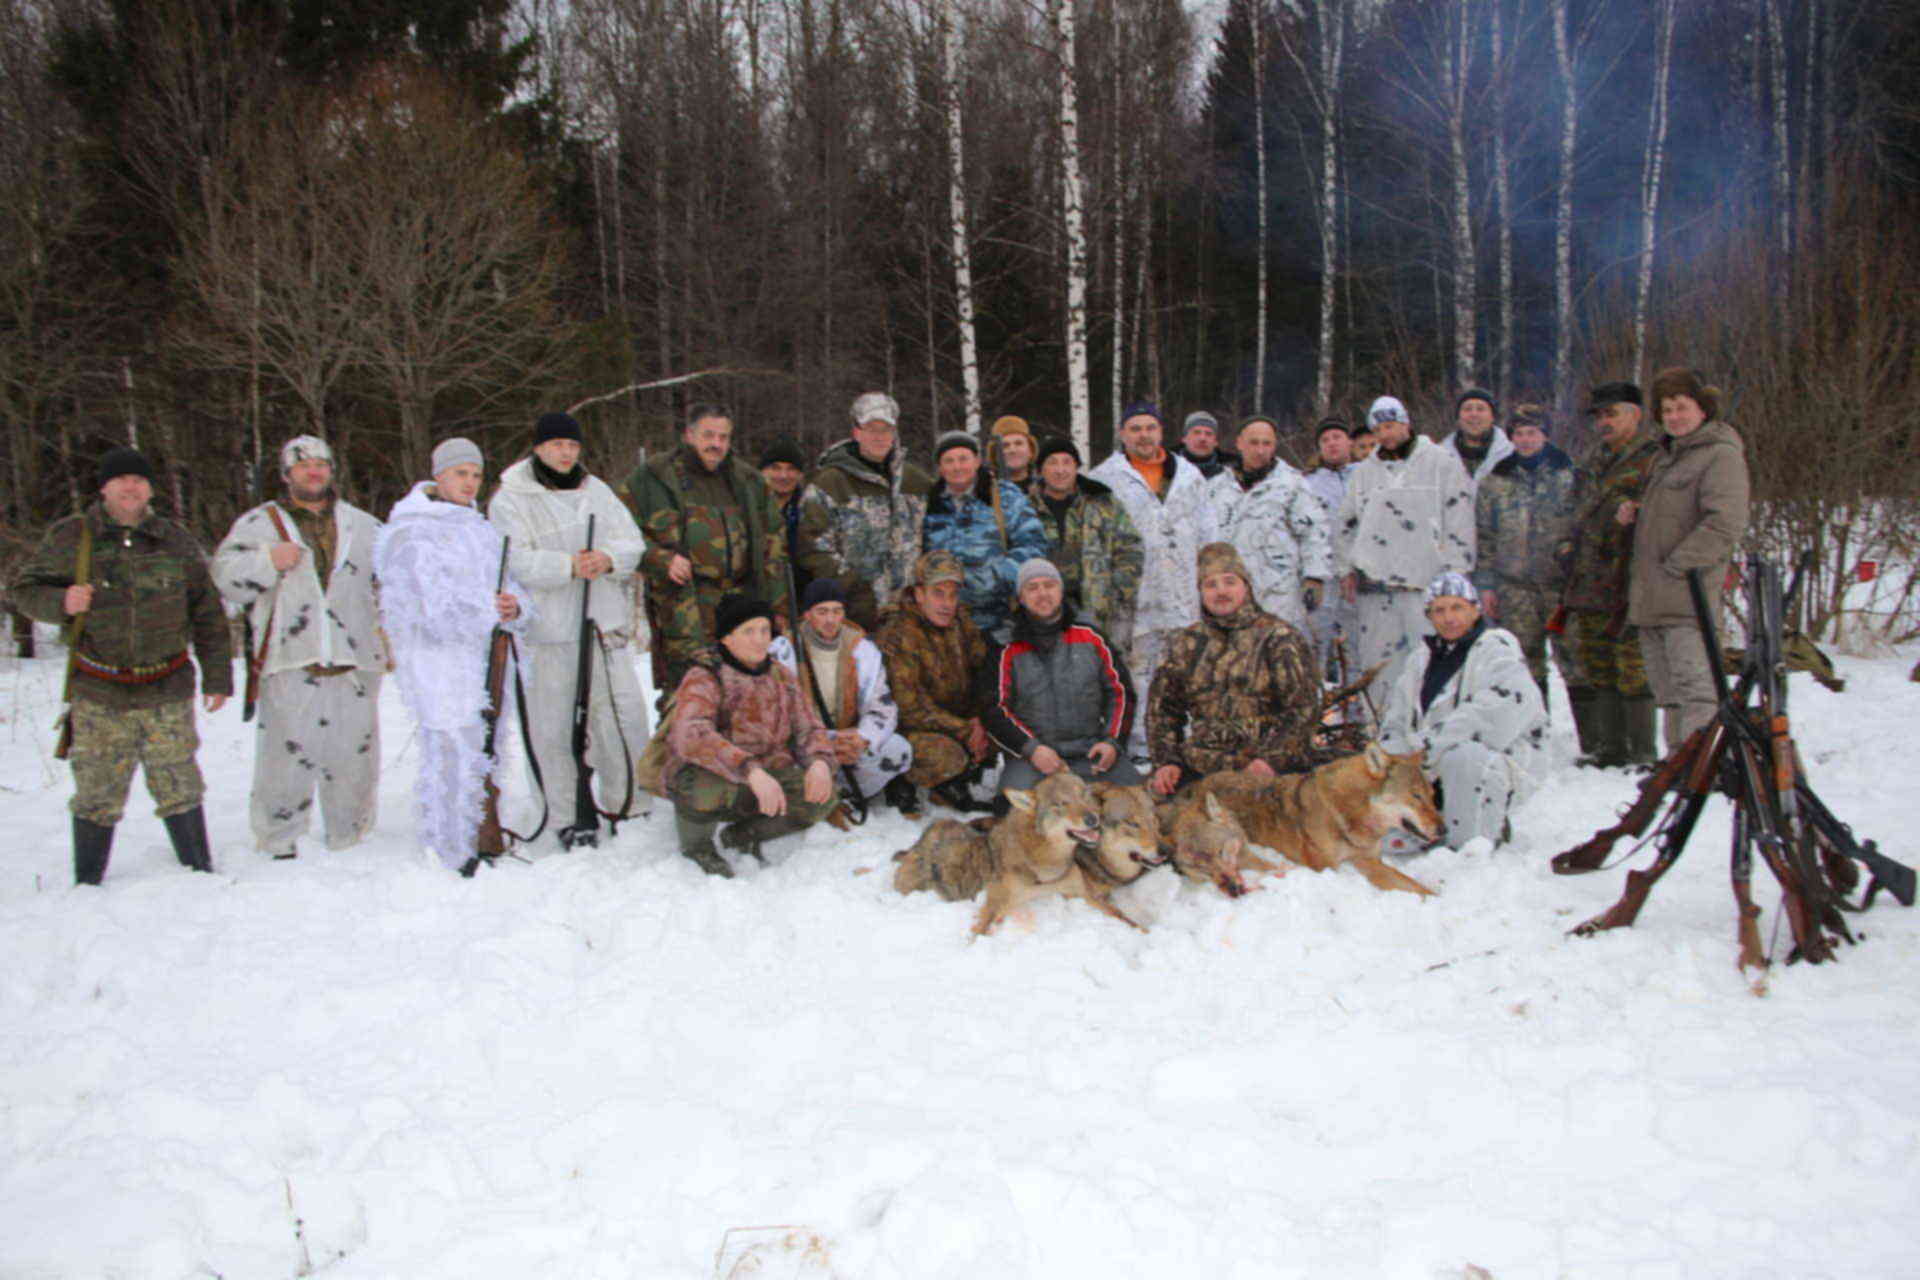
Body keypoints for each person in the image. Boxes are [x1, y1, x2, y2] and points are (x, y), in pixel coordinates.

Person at [12, 447, 231, 884]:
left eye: (139, 480)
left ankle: (199, 876)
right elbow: (23, 589)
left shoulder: (175, 540)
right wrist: (61, 602)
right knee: (96, 789)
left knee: (179, 783)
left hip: (166, 686)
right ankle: (88, 885)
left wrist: (218, 676)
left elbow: (206, 611)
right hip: (99, 690)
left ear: (150, 489)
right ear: (104, 488)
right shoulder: (73, 536)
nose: (130, 487)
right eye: (121, 480)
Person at [213, 435, 385, 860]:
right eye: (303, 465)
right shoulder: (259, 524)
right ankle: (278, 839)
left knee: (354, 756)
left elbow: (397, 580)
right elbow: (224, 577)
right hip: (291, 658)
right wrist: (267, 560)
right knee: (285, 756)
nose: (314, 471)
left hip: (353, 659)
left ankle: (350, 835)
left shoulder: (363, 525)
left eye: (321, 464)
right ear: (287, 474)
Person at [490, 412, 652, 848]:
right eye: (557, 444)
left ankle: (630, 805)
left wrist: (607, 559)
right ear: (539, 447)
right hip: (550, 632)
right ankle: (565, 813)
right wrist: (567, 566)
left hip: (602, 625)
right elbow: (514, 559)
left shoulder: (596, 491)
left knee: (621, 716)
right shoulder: (512, 498)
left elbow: (632, 542)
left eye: (572, 445)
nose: (565, 453)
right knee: (555, 727)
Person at [374, 438, 529, 877]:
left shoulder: (479, 528)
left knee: (484, 753)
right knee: (450, 754)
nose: (470, 483)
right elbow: (426, 610)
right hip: (438, 665)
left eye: (477, 475)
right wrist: (487, 609)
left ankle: (480, 836)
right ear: (439, 475)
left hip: (482, 661)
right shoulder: (410, 532)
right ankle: (449, 849)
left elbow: (512, 584)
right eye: (461, 473)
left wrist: (514, 607)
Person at [664, 594, 837, 876]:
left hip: (767, 777)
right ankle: (697, 847)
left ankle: (743, 834)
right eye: (748, 631)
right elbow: (691, 734)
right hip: (722, 777)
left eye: (765, 630)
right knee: (701, 785)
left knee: (823, 795)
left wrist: (819, 761)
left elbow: (809, 726)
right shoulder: (706, 675)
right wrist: (749, 770)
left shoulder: (780, 675)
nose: (760, 639)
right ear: (727, 639)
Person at [1623, 367, 1751, 750]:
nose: (1674, 417)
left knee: (1696, 692)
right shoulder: (1669, 457)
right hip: (1653, 602)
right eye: (1666, 410)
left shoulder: (1719, 456)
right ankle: (1678, 769)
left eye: (1682, 407)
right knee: (1670, 696)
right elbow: (1674, 516)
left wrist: (1678, 567)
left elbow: (1725, 523)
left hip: (1687, 601)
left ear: (1703, 408)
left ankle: (1701, 770)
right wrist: (1638, 512)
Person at [625, 403, 789, 697]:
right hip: (685, 605)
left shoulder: (747, 481)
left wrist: (777, 606)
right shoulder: (654, 477)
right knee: (688, 690)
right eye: (708, 436)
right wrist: (659, 559)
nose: (716, 445)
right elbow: (620, 532)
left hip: (741, 604)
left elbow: (773, 542)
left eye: (724, 437)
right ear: (689, 435)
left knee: (743, 691)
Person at [1088, 400, 1219, 763]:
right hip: (1134, 601)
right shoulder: (1103, 479)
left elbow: (1210, 535)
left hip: (1182, 597)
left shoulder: (1190, 476)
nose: (1143, 435)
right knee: (1138, 676)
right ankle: (1141, 749)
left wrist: (1211, 584)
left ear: (1161, 432)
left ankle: (1185, 746)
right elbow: (1094, 545)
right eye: (1135, 429)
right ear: (1122, 434)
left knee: (1186, 672)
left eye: (1150, 428)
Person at [1378, 573, 1546, 848]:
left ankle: (1474, 842)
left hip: (1494, 761)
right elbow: (1397, 718)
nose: (1449, 618)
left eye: (1457, 607)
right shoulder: (1422, 658)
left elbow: (1492, 716)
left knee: (1464, 757)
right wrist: (1391, 759)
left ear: (1475, 608)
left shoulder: (1496, 648)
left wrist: (1425, 749)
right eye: (1439, 610)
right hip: (1428, 765)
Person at [1145, 542, 1322, 796]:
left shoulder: (1279, 638)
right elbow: (1163, 711)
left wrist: (1270, 760)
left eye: (1229, 582)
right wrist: (1167, 762)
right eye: (1210, 584)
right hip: (1202, 767)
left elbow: (1304, 709)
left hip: (1268, 770)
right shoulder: (1186, 642)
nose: (1221, 592)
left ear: (1246, 587)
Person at [1333, 395, 1475, 688]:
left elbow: (1459, 518)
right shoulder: (1365, 472)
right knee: (1378, 667)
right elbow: (1345, 524)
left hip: (1425, 586)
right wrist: (1345, 568)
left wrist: (1456, 573)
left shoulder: (1440, 462)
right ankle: (1380, 729)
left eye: (1391, 426)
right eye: (1379, 429)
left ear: (1405, 423)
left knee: (1430, 663)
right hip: (1375, 587)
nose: (1386, 434)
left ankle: (1431, 729)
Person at [1559, 382, 1664, 766]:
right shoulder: (1592, 460)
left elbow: (1663, 515)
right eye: (1599, 415)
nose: (1604, 422)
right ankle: (1610, 748)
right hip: (1589, 580)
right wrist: (1565, 546)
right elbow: (1574, 511)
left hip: (1630, 579)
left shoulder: (1655, 459)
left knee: (1632, 666)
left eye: (1612, 413)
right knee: (1597, 664)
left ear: (1635, 414)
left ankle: (1642, 752)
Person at [980, 559, 1140, 801]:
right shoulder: (1004, 645)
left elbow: (1121, 692)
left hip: (1091, 753)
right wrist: (1032, 749)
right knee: (1012, 813)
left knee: (1138, 803)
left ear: (1061, 590)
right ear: (1020, 598)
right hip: (1036, 759)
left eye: (1049, 585)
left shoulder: (1090, 635)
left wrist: (1111, 742)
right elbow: (994, 707)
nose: (1042, 593)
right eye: (1032, 588)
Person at [769, 577, 913, 814]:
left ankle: (843, 794)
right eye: (822, 612)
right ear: (807, 614)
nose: (830, 620)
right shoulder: (782, 650)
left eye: (837, 611)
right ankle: (817, 798)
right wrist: (818, 743)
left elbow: (883, 707)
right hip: (803, 746)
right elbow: (774, 716)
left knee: (898, 750)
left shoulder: (862, 649)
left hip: (846, 741)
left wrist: (862, 738)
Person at [797, 391, 934, 630]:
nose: (879, 436)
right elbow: (813, 549)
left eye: (886, 429)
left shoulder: (918, 482)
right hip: (854, 617)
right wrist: (854, 589)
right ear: (856, 432)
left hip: (911, 616)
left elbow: (936, 537)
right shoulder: (829, 483)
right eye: (871, 428)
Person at [1471, 403, 1577, 705]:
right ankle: (1533, 732)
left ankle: (1591, 743)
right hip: (1514, 587)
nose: (1526, 440)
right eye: (1519, 433)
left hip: (1560, 587)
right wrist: (1487, 585)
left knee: (1574, 663)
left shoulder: (1568, 474)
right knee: (1523, 664)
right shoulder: (1496, 480)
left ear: (1545, 435)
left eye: (1533, 433)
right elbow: (1485, 536)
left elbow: (1580, 527)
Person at [874, 551, 995, 813]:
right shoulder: (899, 634)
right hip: (909, 729)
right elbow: (910, 709)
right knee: (948, 756)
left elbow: (981, 667)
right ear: (919, 594)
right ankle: (901, 779)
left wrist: (978, 719)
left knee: (1001, 730)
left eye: (953, 595)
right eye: (938, 593)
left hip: (953, 719)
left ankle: (956, 778)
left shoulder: (960, 621)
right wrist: (965, 730)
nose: (947, 603)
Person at [920, 429, 1049, 639]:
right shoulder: (929, 505)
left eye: (963, 459)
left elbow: (1034, 545)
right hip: (944, 628)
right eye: (949, 461)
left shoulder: (1004, 496)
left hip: (1000, 625)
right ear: (940, 468)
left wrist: (997, 577)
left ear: (977, 460)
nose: (957, 466)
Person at [1208, 414, 1332, 630]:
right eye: (1253, 443)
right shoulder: (1216, 487)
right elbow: (1203, 537)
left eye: (1267, 443)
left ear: (1275, 446)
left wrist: (1314, 576)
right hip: (1229, 592)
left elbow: (1314, 531)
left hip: (1277, 593)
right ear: (1239, 443)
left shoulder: (1292, 484)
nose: (1260, 450)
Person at [1026, 436, 1143, 646]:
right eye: (1052, 462)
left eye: (1066, 462)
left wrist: (1115, 591)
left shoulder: (1103, 503)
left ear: (1077, 467)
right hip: (1039, 613)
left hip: (1094, 611)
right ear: (1040, 470)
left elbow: (1131, 547)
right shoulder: (1025, 508)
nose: (1060, 470)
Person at [1301, 417, 1360, 678]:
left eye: (1337, 437)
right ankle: (1314, 707)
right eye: (1325, 440)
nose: (1332, 444)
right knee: (1315, 647)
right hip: (1323, 580)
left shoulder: (1366, 476)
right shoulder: (1307, 484)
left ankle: (1360, 709)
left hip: (1358, 579)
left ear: (1348, 442)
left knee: (1356, 646)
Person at [759, 435, 811, 598]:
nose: (783, 476)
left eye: (791, 469)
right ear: (762, 471)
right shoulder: (747, 509)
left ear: (801, 474)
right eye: (775, 468)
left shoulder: (811, 510)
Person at [1442, 387, 1514, 495]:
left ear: (1492, 417)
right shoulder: (1440, 456)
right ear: (1458, 417)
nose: (1474, 414)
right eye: (1467, 409)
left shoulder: (1510, 455)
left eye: (1480, 409)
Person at [1174, 409, 1238, 479]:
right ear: (1184, 439)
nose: (1202, 439)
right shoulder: (1169, 469)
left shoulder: (1231, 475)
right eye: (1196, 433)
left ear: (1216, 442)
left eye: (1208, 434)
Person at [989, 415, 1038, 488]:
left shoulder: (1047, 489)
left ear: (1031, 451)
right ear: (995, 455)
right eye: (1005, 445)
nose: (1012, 450)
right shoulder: (984, 492)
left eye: (1018, 443)